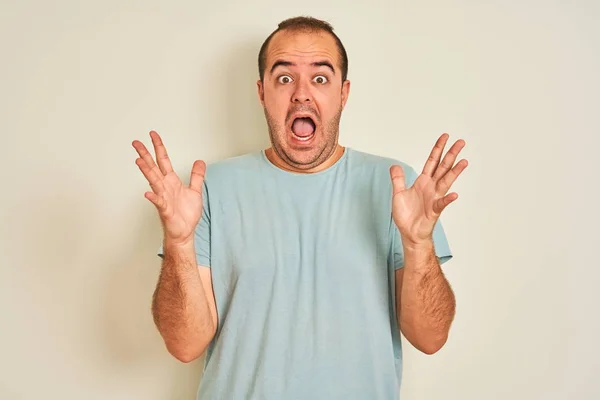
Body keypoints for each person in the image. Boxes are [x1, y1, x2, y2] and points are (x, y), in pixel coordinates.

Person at [132, 15, 468, 400]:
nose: (302, 94)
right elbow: (184, 345)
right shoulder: (209, 189)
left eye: (321, 78)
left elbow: (430, 338)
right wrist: (178, 241)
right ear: (262, 92)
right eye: (285, 78)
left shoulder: (394, 186)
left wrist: (418, 243)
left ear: (343, 93)